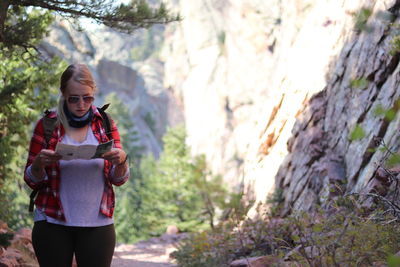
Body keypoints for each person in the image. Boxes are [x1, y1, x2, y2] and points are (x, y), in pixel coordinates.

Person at [23, 63, 130, 267]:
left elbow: (118, 179)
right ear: (63, 93)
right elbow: (30, 180)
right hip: (52, 221)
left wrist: (122, 161)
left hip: (98, 224)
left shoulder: (106, 123)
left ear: (93, 94)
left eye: (87, 97)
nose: (81, 104)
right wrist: (38, 165)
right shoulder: (47, 125)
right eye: (74, 98)